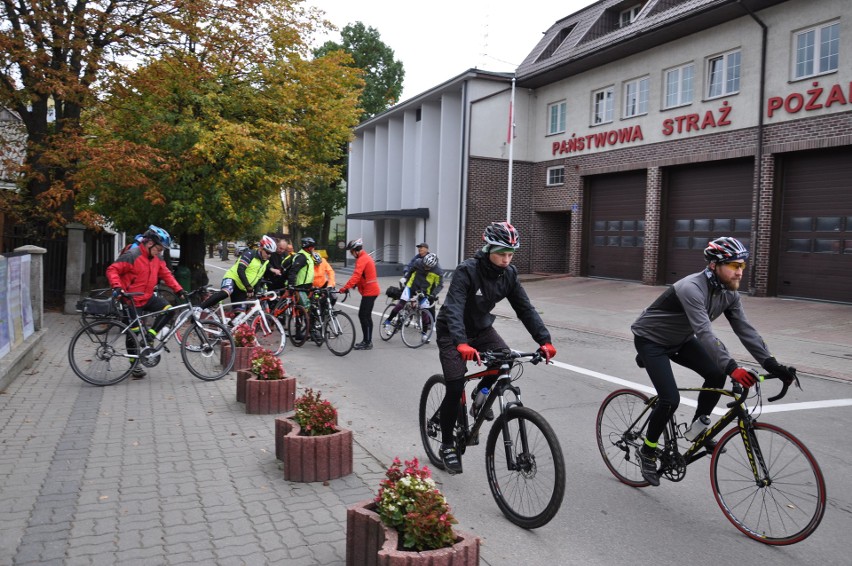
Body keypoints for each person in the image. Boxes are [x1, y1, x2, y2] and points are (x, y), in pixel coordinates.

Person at [631, 236, 798, 487]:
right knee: (670, 399)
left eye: (742, 266)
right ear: (714, 265)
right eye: (734, 266)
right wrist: (733, 367)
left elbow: (746, 330)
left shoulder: (729, 293)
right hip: (651, 340)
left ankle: (698, 431)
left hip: (681, 340)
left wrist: (772, 364)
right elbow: (705, 332)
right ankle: (648, 451)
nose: (740, 272)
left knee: (716, 374)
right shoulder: (691, 288)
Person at [434, 221, 556, 474]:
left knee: (505, 360)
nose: (506, 259)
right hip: (452, 332)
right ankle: (446, 445)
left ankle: (480, 400)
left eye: (511, 254)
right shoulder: (467, 271)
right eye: (501, 253)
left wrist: (544, 340)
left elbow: (524, 308)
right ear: (488, 248)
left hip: (481, 329)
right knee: (455, 386)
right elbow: (454, 308)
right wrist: (461, 343)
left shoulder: (509, 274)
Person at [106, 225, 186, 379]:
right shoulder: (132, 255)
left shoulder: (156, 258)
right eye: (160, 248)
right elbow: (112, 269)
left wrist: (179, 290)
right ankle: (134, 365)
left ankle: (150, 336)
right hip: (131, 299)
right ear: (150, 244)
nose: (161, 251)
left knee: (169, 310)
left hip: (147, 296)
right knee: (133, 334)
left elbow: (166, 274)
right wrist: (117, 287)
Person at [197, 235, 276, 314]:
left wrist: (257, 291)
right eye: (268, 252)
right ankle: (199, 308)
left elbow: (258, 278)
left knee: (239, 316)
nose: (269, 255)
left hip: (242, 288)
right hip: (233, 278)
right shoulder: (249, 254)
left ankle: (226, 325)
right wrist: (248, 286)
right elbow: (240, 270)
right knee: (226, 292)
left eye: (271, 253)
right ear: (261, 248)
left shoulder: (265, 262)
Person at [384, 252, 443, 341]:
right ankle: (387, 321)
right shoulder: (419, 262)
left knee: (425, 311)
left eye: (428, 267)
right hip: (411, 287)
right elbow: (411, 271)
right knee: (401, 304)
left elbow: (440, 285)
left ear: (434, 266)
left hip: (424, 291)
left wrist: (433, 295)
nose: (426, 268)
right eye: (425, 265)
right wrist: (406, 278)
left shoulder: (438, 271)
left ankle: (424, 334)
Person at [338, 238, 380, 350]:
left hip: (370, 291)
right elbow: (362, 276)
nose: (351, 254)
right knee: (366, 316)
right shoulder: (366, 257)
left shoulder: (362, 259)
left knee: (363, 315)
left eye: (351, 251)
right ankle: (367, 341)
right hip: (371, 290)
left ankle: (367, 342)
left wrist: (345, 288)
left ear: (355, 250)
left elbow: (356, 276)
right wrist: (355, 285)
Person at [287, 237, 317, 306]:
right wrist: (291, 285)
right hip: (300, 287)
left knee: (313, 305)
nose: (313, 248)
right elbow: (293, 271)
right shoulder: (302, 257)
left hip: (308, 286)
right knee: (306, 306)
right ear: (308, 247)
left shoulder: (309, 255)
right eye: (312, 247)